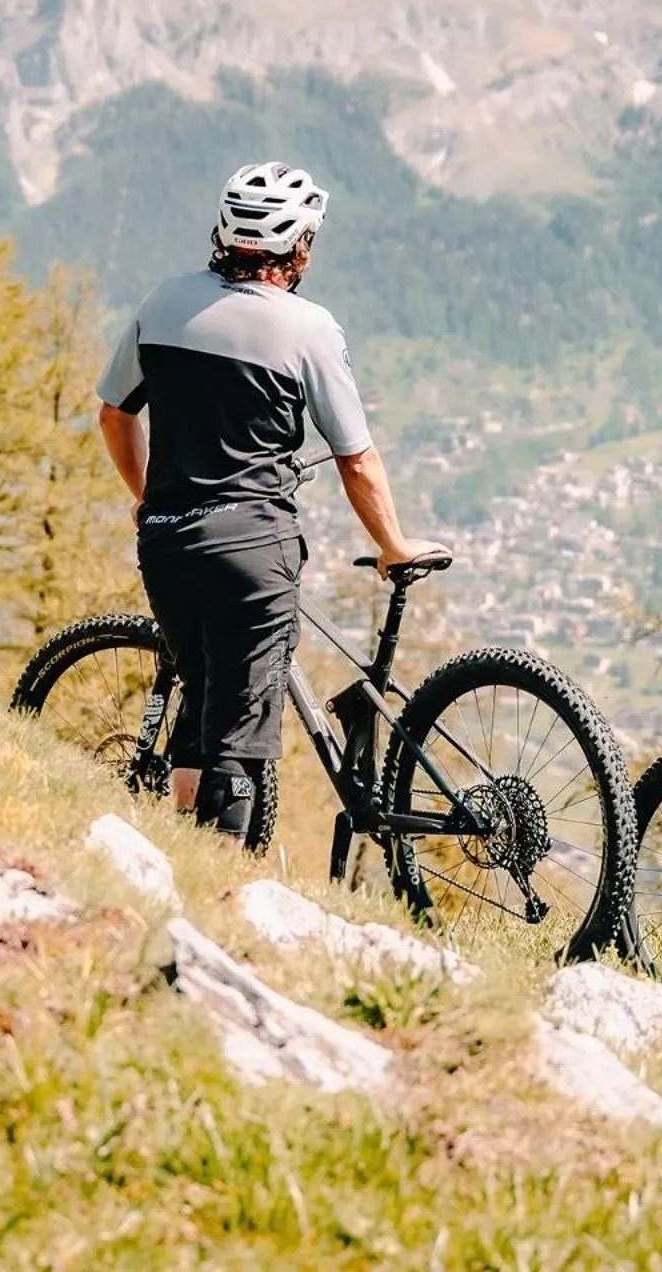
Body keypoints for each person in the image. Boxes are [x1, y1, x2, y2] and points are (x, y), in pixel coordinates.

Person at [95, 161, 443, 842]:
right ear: (299, 246)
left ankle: (183, 862)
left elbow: (115, 415)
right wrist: (393, 545)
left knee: (201, 709)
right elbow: (355, 456)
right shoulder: (307, 328)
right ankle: (227, 890)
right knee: (241, 744)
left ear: (225, 231)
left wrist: (149, 500)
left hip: (166, 542)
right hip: (253, 549)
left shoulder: (162, 304)